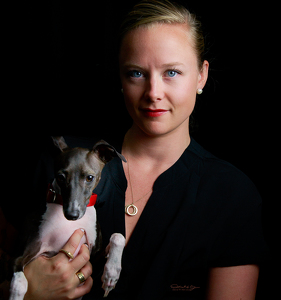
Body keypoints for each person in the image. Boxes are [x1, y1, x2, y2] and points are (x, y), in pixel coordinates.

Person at [22, 1, 268, 299]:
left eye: (172, 72)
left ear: (201, 75)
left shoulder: (232, 195)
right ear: (121, 79)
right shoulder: (60, 163)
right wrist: (30, 291)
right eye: (136, 73)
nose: (153, 92)